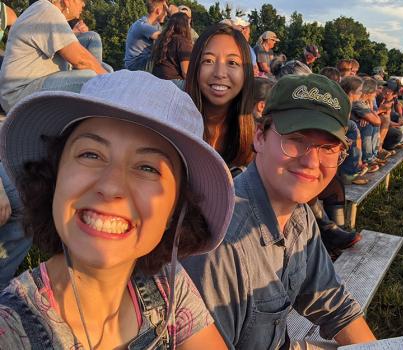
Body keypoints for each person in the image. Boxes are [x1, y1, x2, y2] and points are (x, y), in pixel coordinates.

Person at [0, 70, 234, 349]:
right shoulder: (11, 331)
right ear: (55, 174)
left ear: (176, 209)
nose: (111, 187)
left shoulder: (167, 286)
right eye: (91, 154)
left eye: (147, 168)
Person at [184, 74, 377, 349]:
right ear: (260, 136)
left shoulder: (299, 214)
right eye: (296, 139)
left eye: (328, 148)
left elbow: (334, 304)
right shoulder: (221, 243)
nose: (312, 161)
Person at [0, 0, 108, 113]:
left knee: (93, 40)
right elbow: (81, 60)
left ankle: (96, 101)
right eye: (82, 0)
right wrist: (115, 82)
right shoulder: (46, 10)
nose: (84, 4)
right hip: (18, 95)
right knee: (91, 80)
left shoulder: (47, 12)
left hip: (38, 83)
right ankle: (99, 105)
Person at [185, 23, 255, 168]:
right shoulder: (171, 125)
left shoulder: (256, 139)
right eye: (208, 61)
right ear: (195, 67)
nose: (219, 73)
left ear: (246, 72)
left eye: (232, 62)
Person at [339, 75, 369, 185]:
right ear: (351, 93)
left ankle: (357, 165)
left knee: (354, 125)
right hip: (334, 130)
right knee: (353, 127)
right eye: (360, 91)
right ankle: (350, 173)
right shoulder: (345, 103)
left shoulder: (344, 100)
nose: (362, 93)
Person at [151, 12, 193, 89]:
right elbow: (186, 72)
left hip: (156, 80)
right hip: (173, 82)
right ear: (185, 26)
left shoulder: (161, 40)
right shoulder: (182, 41)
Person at [124, 0, 167, 71]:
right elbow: (165, 39)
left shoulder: (157, 26)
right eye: (165, 11)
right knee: (165, 63)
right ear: (158, 11)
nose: (166, 14)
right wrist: (175, 15)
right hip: (135, 63)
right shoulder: (142, 25)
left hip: (146, 60)